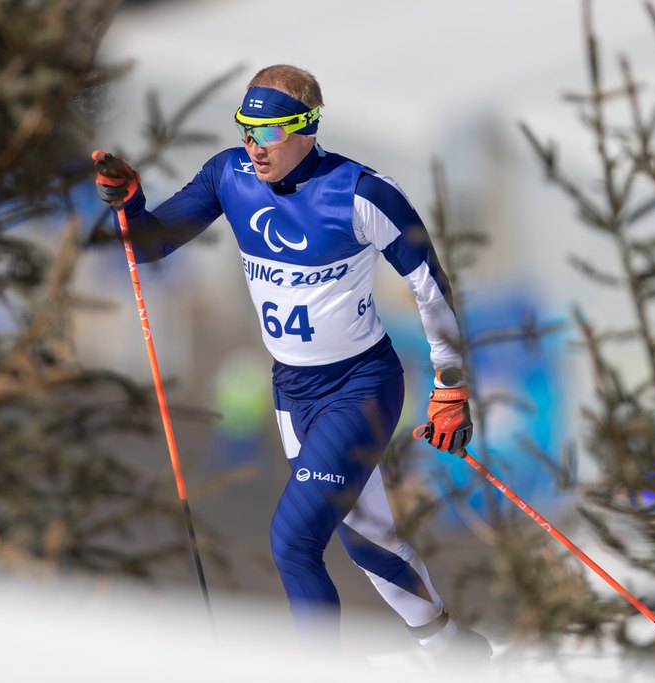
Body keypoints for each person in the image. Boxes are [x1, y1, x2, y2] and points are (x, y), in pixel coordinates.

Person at [93, 64, 490, 664]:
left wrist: (450, 388)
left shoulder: (359, 193)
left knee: (294, 541)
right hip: (292, 390)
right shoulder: (229, 175)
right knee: (367, 537)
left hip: (360, 385)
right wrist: (129, 202)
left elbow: (430, 288)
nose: (255, 148)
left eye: (270, 133)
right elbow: (151, 243)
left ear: (306, 128)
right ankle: (451, 647)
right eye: (246, 130)